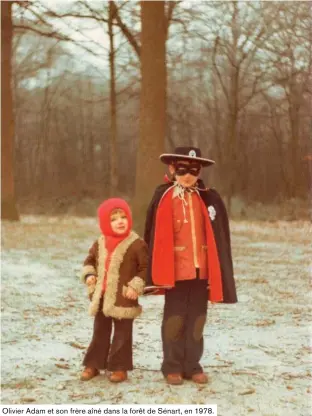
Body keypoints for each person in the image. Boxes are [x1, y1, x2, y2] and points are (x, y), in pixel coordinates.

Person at [144, 146, 237, 385]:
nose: (188, 176)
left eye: (194, 171)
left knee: (197, 320)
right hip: (174, 272)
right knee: (175, 318)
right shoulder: (164, 196)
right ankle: (172, 365)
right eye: (183, 170)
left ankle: (192, 364)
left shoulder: (207, 197)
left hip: (201, 271)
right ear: (172, 168)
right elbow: (153, 235)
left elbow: (219, 235)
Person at [80, 198, 148, 383]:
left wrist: (136, 285)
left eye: (123, 217)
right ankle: (94, 363)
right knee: (100, 331)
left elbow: (144, 268)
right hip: (102, 296)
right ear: (104, 223)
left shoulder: (136, 244)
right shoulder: (100, 243)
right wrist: (89, 275)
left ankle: (119, 367)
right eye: (114, 218)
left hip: (124, 296)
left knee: (122, 334)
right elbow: (89, 261)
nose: (120, 221)